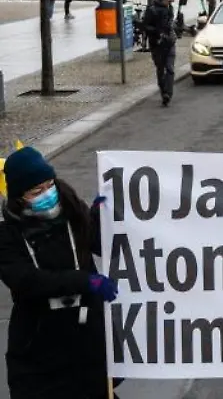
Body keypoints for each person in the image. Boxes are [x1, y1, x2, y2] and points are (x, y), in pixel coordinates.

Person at [0, 146, 120, 399]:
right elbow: (26, 281)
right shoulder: (8, 234)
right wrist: (84, 281)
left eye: (49, 184)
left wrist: (102, 219)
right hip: (40, 344)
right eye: (37, 191)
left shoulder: (73, 210)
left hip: (86, 337)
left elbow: (99, 244)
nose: (47, 193)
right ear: (20, 197)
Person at [142, 0, 177, 106]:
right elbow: (145, 26)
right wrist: (157, 32)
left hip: (170, 42)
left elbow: (170, 23)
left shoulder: (170, 7)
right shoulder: (152, 9)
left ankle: (168, 93)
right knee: (161, 69)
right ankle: (164, 92)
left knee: (170, 69)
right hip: (157, 44)